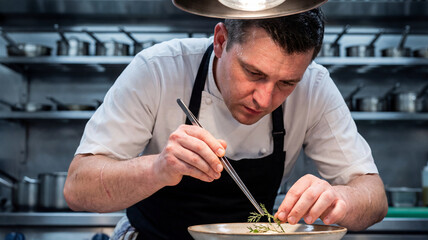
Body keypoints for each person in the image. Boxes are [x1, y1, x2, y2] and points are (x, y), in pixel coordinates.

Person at [64, 7, 388, 240]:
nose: (264, 98)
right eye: (254, 73)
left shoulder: (315, 87)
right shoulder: (158, 70)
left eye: (286, 83)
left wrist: (340, 199)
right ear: (220, 41)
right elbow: (78, 190)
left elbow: (373, 196)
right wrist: (159, 168)